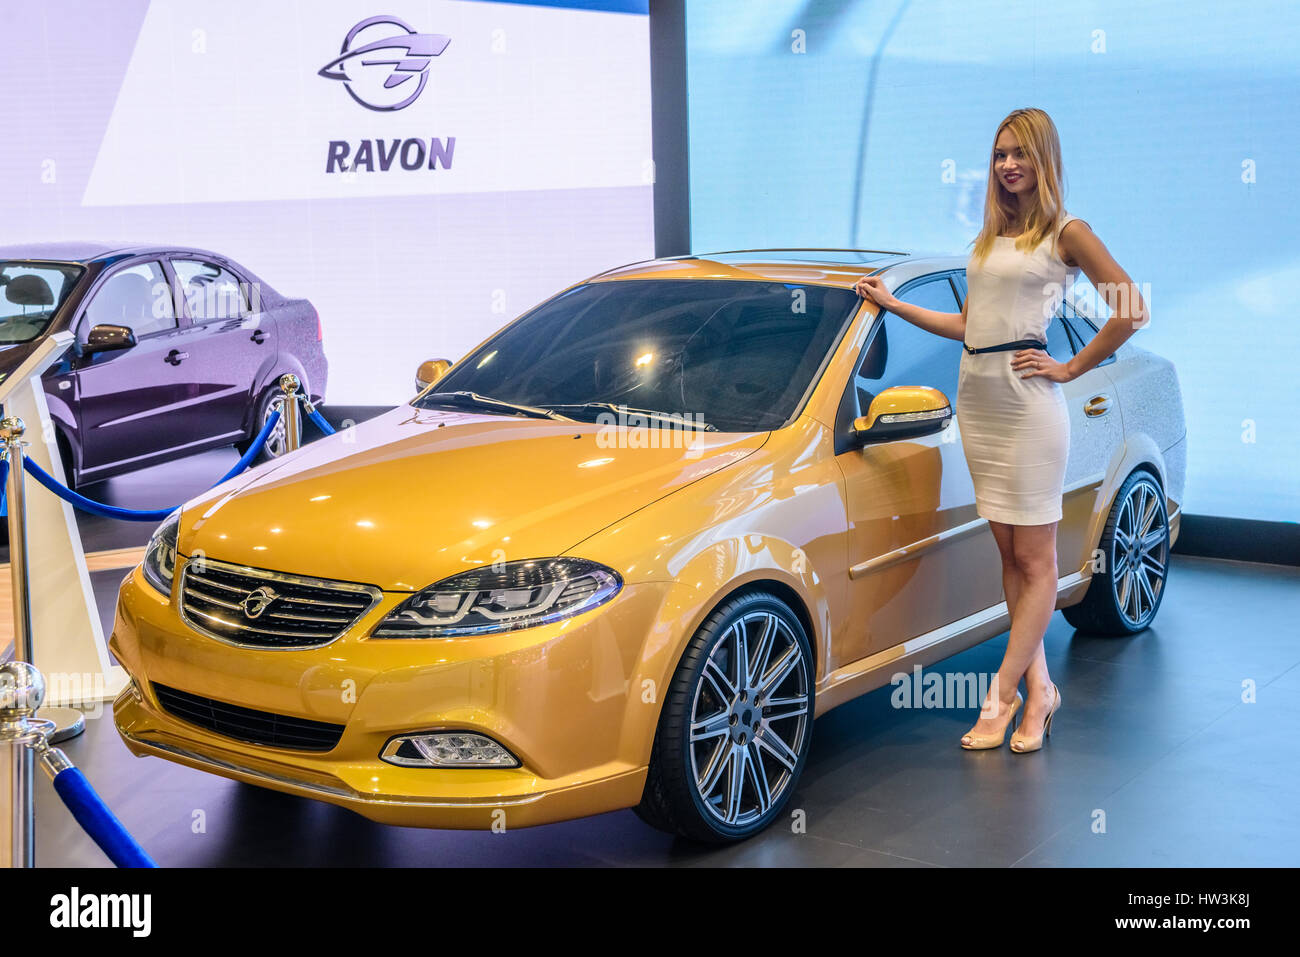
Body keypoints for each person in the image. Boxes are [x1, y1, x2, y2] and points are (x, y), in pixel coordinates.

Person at [855, 107, 1147, 753]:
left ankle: (1002, 695)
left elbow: (1132, 306)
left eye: (1020, 153)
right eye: (998, 154)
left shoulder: (1068, 232)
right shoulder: (989, 238)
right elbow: (972, 328)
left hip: (1028, 405)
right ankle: (1041, 690)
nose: (1008, 164)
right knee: (1009, 559)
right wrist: (897, 305)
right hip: (978, 401)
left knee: (1037, 561)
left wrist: (1071, 366)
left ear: (1045, 160)